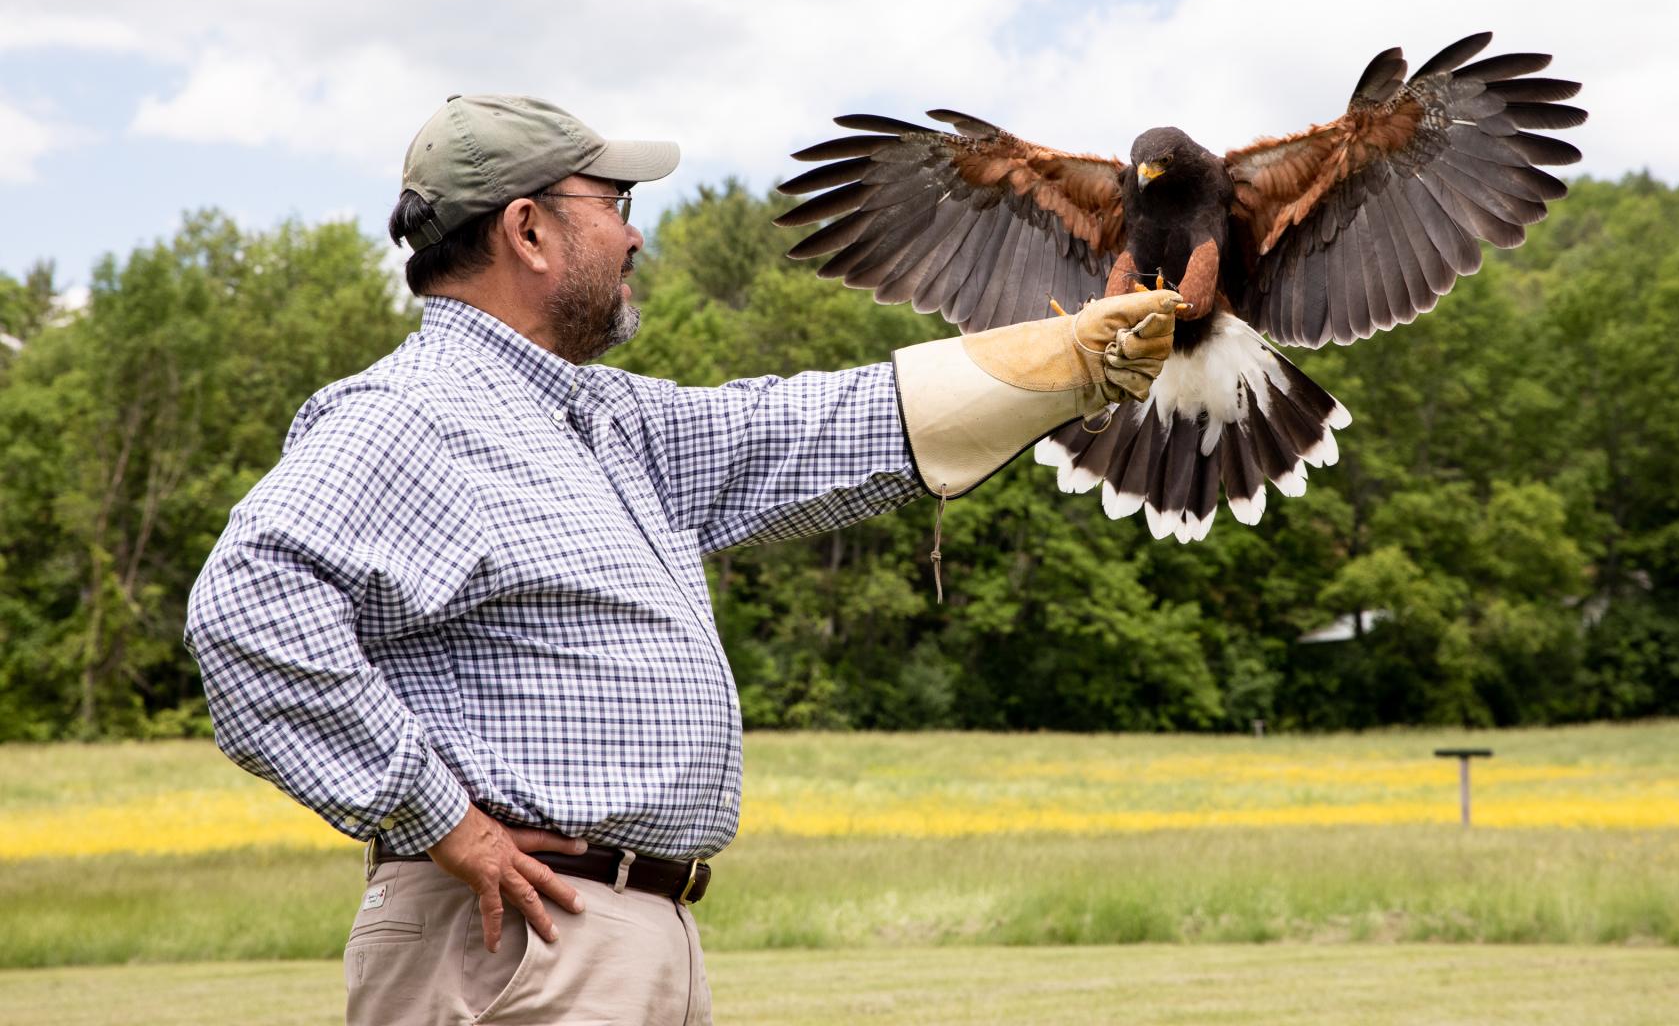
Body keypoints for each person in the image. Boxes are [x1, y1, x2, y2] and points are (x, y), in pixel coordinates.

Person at [184, 94, 1182, 1025]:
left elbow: (802, 432)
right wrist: (442, 816)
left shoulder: (600, 415)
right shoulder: (414, 412)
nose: (634, 232)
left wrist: (1065, 367)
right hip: (516, 937)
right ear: (527, 231)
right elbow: (246, 608)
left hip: (623, 928)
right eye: (614, 203)